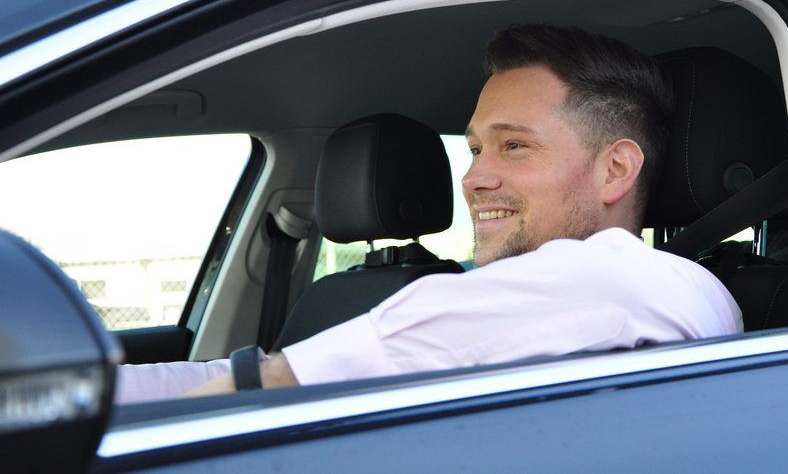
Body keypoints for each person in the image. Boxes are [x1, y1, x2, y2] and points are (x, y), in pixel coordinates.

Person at [115, 24, 741, 403]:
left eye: (514, 145)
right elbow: (234, 374)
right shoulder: (564, 299)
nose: (474, 177)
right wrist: (65, 398)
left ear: (616, 170)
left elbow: (268, 387)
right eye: (473, 149)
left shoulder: (632, 282)